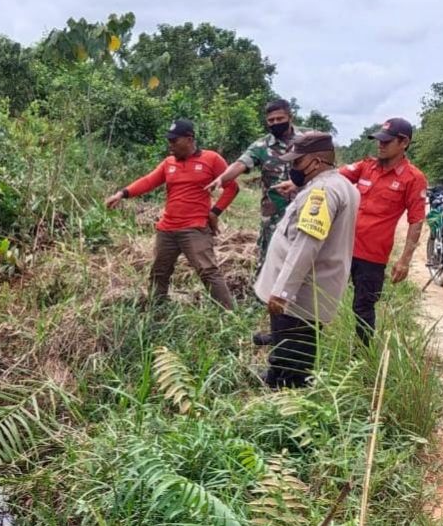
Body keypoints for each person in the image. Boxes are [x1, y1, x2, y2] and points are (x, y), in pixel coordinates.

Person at [253, 132, 359, 388]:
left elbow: (306, 245)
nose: (293, 167)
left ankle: (287, 394)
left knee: (293, 355)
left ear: (317, 161)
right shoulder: (339, 184)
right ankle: (277, 380)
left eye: (298, 162)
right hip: (310, 287)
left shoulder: (322, 192)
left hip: (300, 292)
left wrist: (282, 292)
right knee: (290, 347)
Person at [105, 119, 239, 309]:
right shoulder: (169, 163)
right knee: (159, 272)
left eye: (174, 141)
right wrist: (122, 193)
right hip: (167, 229)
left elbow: (232, 187)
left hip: (195, 228)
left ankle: (228, 313)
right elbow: (148, 181)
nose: (170, 145)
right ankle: (156, 309)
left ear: (189, 139)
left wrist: (215, 212)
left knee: (208, 271)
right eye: (169, 141)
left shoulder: (212, 159)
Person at [339, 118, 427, 344]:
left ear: (404, 143)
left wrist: (404, 261)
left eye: (386, 142)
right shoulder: (366, 167)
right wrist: (299, 182)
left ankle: (361, 356)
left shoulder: (413, 178)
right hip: (342, 247)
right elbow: (334, 177)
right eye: (379, 140)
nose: (380, 145)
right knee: (320, 294)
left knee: (363, 306)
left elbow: (416, 221)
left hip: (372, 256)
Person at [205, 99, 298, 267]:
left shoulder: (308, 140)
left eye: (280, 119)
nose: (275, 123)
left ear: (290, 117)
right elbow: (241, 163)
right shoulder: (261, 146)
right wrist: (222, 178)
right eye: (271, 120)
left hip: (304, 211)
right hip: (274, 214)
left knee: (301, 259)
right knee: (269, 260)